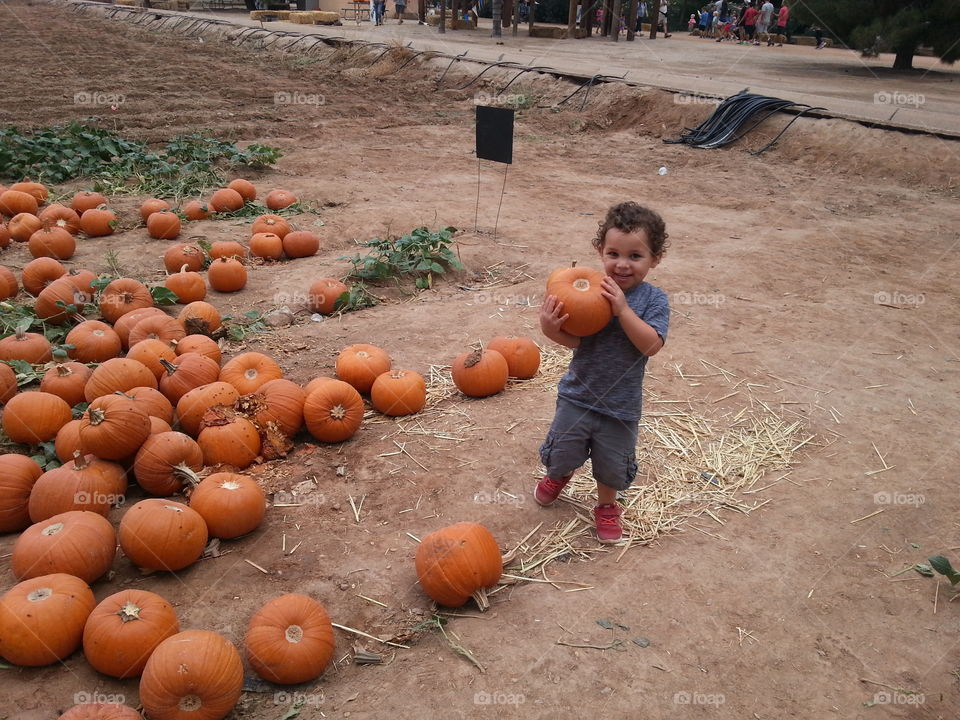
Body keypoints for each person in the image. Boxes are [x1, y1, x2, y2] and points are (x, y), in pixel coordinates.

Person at [536, 202, 671, 544]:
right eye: (613, 253)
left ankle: (607, 505)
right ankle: (560, 474)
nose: (622, 264)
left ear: (655, 258)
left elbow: (651, 345)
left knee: (611, 463)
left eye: (635, 256)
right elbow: (578, 341)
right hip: (577, 395)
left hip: (621, 405)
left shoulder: (654, 300)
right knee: (564, 450)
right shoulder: (589, 289)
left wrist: (623, 310)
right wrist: (550, 329)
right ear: (600, 251)